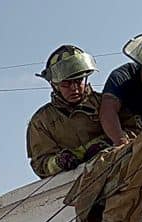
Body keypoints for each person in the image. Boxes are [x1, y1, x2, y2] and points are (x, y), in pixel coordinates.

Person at [26, 46, 122, 179]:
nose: (74, 88)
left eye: (79, 81)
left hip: (117, 169)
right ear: (55, 85)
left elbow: (136, 128)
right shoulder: (41, 121)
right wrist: (59, 162)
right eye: (66, 84)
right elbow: (40, 164)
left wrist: (109, 141)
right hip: (74, 185)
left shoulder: (106, 103)